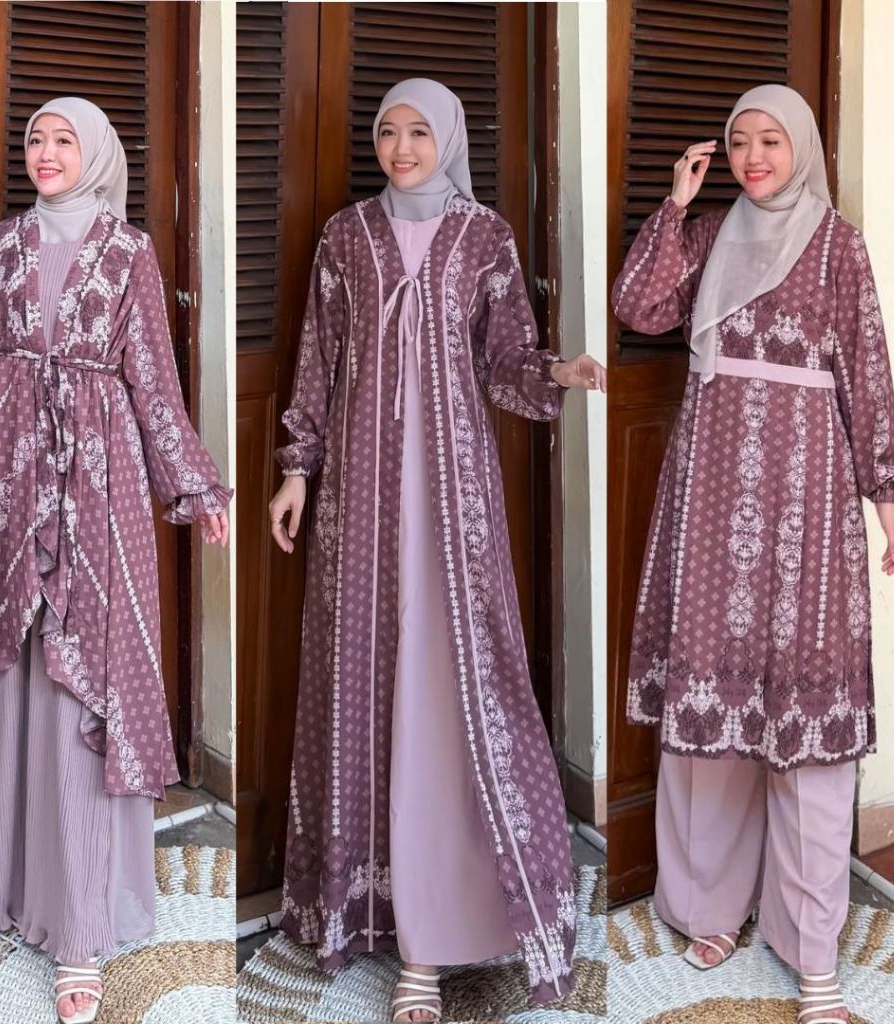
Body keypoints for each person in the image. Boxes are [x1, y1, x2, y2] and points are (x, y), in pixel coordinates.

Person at [0, 97, 230, 1024]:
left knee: (84, 681)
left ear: (97, 153)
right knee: (8, 668)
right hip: (3, 474)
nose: (44, 152)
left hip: (97, 482)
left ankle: (81, 926)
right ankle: (3, 884)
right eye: (35, 139)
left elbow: (153, 377)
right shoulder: (0, 244)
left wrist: (194, 484)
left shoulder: (130, 253)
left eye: (63, 139)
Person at [268, 78, 606, 1023]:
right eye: (388, 131)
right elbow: (316, 361)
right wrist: (296, 471)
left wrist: (559, 370)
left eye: (420, 132)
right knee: (371, 683)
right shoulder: (345, 237)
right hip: (362, 505)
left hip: (454, 506)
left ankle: (453, 919)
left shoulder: (485, 236)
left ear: (449, 139)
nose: (402, 147)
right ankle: (389, 924)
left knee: (459, 684)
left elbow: (505, 361)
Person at [612, 83, 894, 1024]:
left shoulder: (839, 245)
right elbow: (637, 306)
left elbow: (867, 368)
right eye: (738, 141)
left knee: (806, 715)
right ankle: (707, 908)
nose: (752, 158)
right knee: (714, 705)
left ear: (803, 148)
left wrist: (888, 494)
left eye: (770, 141)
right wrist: (675, 204)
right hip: (710, 496)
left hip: (807, 500)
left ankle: (810, 943)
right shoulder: (706, 238)